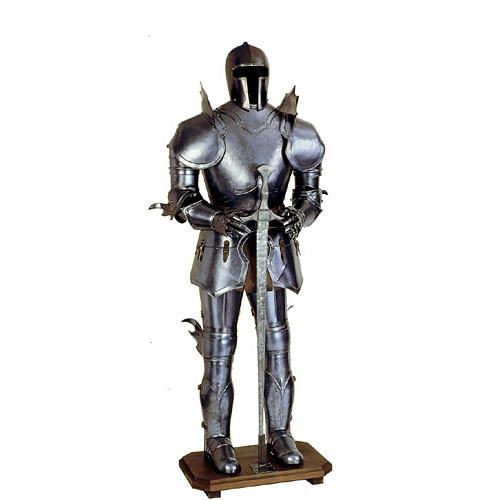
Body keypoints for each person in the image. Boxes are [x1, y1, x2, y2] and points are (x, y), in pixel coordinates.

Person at [151, 42, 325, 474]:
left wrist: (297, 217)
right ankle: (217, 438)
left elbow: (310, 196)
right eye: (244, 74)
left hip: (274, 249)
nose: (252, 82)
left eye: (258, 73)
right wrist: (219, 218)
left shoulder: (294, 131)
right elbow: (181, 199)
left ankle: (280, 433)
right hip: (223, 251)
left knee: (277, 344)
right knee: (219, 346)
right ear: (230, 77)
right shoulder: (201, 130)